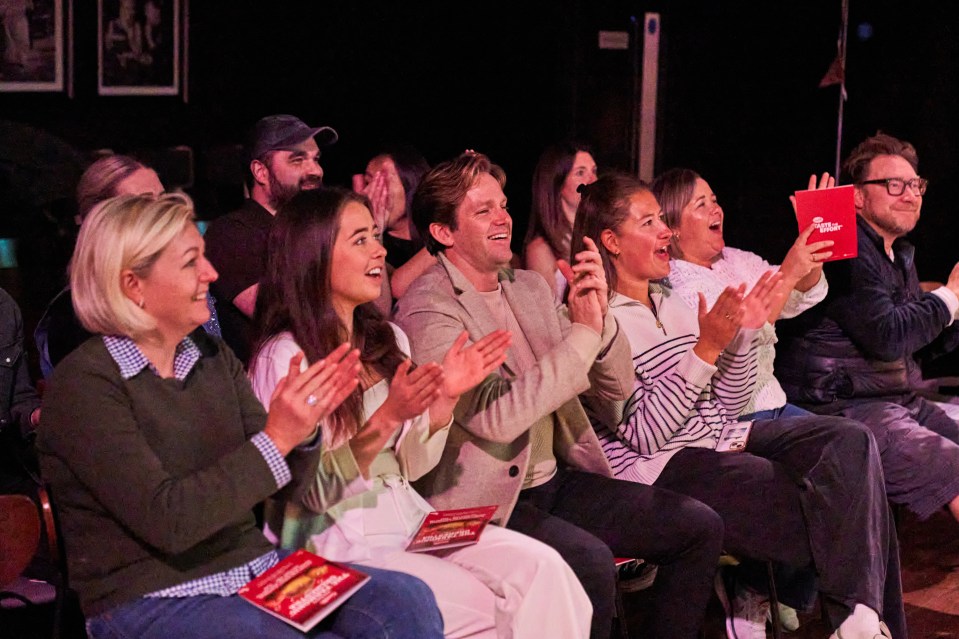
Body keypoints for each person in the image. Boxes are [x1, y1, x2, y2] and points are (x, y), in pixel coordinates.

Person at [36, 192, 444, 639]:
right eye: (192, 262)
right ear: (134, 285)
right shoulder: (86, 386)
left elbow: (286, 494)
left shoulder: (211, 357)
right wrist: (277, 438)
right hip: (156, 596)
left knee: (404, 598)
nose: (211, 274)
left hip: (254, 571)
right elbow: (170, 521)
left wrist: (302, 432)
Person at [394, 151, 725, 639]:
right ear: (443, 233)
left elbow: (615, 388)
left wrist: (600, 319)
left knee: (696, 525)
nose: (503, 217)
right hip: (482, 502)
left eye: (503, 205)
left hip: (556, 480)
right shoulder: (427, 309)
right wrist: (583, 337)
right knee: (588, 562)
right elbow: (497, 417)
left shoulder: (528, 287)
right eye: (483, 210)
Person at [249, 187, 592, 638]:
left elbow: (413, 466)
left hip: (412, 521)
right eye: (360, 240)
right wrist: (387, 418)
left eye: (376, 235)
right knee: (482, 606)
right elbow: (305, 497)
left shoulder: (389, 342)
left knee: (547, 572)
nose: (379, 249)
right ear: (312, 257)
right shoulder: (286, 357)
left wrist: (445, 397)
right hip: (331, 541)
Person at [574, 171, 904, 639]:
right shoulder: (600, 316)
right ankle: (861, 621)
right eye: (649, 223)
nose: (664, 231)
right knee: (847, 509)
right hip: (662, 465)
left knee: (850, 443)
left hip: (719, 439)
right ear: (611, 240)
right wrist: (705, 351)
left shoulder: (672, 303)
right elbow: (644, 434)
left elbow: (727, 404)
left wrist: (746, 334)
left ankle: (861, 620)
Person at [776, 132, 959, 524]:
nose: (910, 194)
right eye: (894, 184)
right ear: (857, 197)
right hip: (843, 407)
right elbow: (888, 336)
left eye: (915, 185)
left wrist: (955, 314)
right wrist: (950, 297)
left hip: (894, 399)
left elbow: (915, 348)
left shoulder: (896, 253)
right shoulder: (843, 248)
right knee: (953, 467)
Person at [33, 154, 220, 379]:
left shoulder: (184, 285)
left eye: (163, 198)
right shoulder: (77, 314)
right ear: (104, 217)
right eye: (143, 202)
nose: (161, 210)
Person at [204, 114, 340, 364]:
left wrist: (372, 230)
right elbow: (282, 315)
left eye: (316, 159)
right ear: (260, 172)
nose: (315, 170)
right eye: (298, 159)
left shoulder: (322, 228)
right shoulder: (232, 233)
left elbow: (374, 307)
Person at [354, 145, 437, 301]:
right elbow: (393, 291)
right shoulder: (374, 246)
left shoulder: (435, 233)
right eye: (368, 182)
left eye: (381, 183)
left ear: (412, 184)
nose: (370, 192)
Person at [523, 141, 598, 303]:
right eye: (580, 173)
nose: (593, 180)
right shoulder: (540, 250)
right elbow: (547, 318)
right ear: (557, 184)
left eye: (594, 171)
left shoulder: (596, 233)